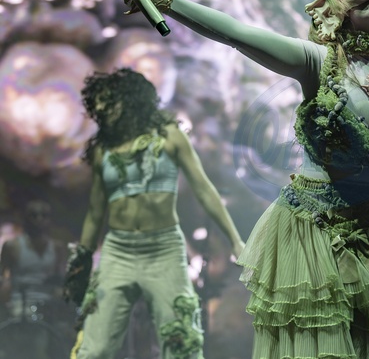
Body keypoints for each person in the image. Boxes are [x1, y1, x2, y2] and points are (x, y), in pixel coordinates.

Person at [109, 0, 369, 358]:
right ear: (336, 5)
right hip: (314, 236)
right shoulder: (319, 61)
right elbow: (235, 34)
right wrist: (163, 0)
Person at [64, 68, 245, 359]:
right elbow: (96, 213)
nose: (101, 109)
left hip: (164, 251)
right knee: (95, 349)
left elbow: (204, 190)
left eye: (108, 101)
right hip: (118, 253)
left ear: (130, 99)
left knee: (182, 345)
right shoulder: (103, 150)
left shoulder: (170, 136)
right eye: (97, 104)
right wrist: (80, 261)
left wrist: (236, 241)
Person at [0, 199, 69, 359]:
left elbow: (61, 280)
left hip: (48, 304)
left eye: (44, 215)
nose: (39, 220)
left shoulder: (57, 248)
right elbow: (2, 277)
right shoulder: (12, 246)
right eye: (34, 215)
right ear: (25, 218)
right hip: (19, 303)